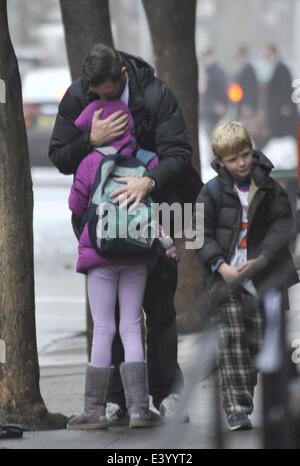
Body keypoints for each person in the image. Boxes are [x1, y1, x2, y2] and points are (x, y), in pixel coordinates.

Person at [49, 43, 202, 424]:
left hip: (154, 215)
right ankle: (117, 400)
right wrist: (90, 140)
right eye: (95, 96)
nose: (102, 101)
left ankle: (166, 393)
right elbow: (59, 156)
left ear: (122, 76)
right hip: (103, 229)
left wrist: (147, 181)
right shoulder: (77, 97)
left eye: (109, 94)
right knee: (113, 317)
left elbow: (178, 156)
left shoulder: (154, 95)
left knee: (159, 308)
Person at [67, 98, 179, 430]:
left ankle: (95, 411)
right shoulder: (148, 160)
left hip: (101, 254)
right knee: (132, 326)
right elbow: (160, 202)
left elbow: (76, 203)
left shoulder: (89, 161)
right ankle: (140, 410)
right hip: (138, 252)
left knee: (104, 328)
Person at [196, 122, 298, 431]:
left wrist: (263, 258)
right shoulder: (211, 192)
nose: (241, 163)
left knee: (260, 343)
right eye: (232, 159)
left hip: (264, 279)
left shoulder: (269, 188)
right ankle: (237, 408)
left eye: (245, 155)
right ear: (220, 161)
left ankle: (252, 388)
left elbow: (283, 224)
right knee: (231, 341)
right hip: (227, 282)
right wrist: (220, 266)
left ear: (252, 151)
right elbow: (199, 233)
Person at [264, 45, 299, 139]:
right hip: (279, 107)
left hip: (282, 108)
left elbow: (285, 88)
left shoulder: (281, 67)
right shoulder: (276, 67)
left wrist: (285, 104)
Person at [202, 50, 228, 138]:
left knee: (214, 136)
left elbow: (221, 90)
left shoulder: (217, 72)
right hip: (210, 108)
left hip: (214, 109)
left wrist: (220, 104)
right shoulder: (209, 72)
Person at [235, 46, 259, 119]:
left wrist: (247, 104)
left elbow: (249, 87)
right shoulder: (243, 67)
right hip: (242, 103)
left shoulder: (248, 68)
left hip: (246, 104)